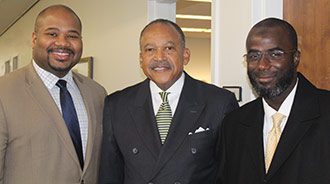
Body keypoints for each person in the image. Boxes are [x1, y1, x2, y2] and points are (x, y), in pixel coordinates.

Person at [98, 19, 238, 184]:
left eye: (169, 48)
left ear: (185, 56)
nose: (159, 57)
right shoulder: (117, 105)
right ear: (141, 59)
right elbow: (109, 174)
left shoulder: (219, 102)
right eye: (150, 50)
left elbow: (231, 172)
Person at [0, 5, 107, 183]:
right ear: (34, 39)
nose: (63, 43)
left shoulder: (97, 93)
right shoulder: (4, 92)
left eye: (72, 36)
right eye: (52, 34)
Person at [220, 17, 330, 184]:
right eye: (254, 55)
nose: (262, 65)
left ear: (296, 58)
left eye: (275, 54)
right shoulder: (234, 125)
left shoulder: (325, 112)